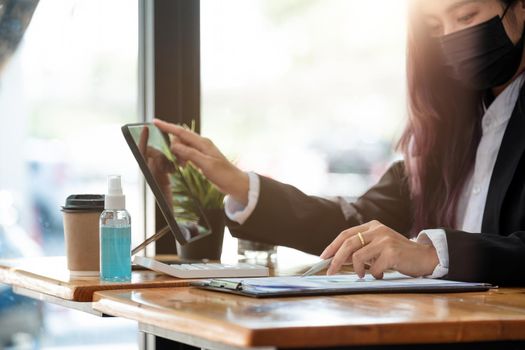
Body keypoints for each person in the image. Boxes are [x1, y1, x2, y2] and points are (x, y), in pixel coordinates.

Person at [154, 0, 525, 285]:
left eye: (466, 17)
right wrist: (238, 183)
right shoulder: (449, 132)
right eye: (433, 26)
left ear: (520, 8)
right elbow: (358, 224)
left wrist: (431, 254)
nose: (449, 37)